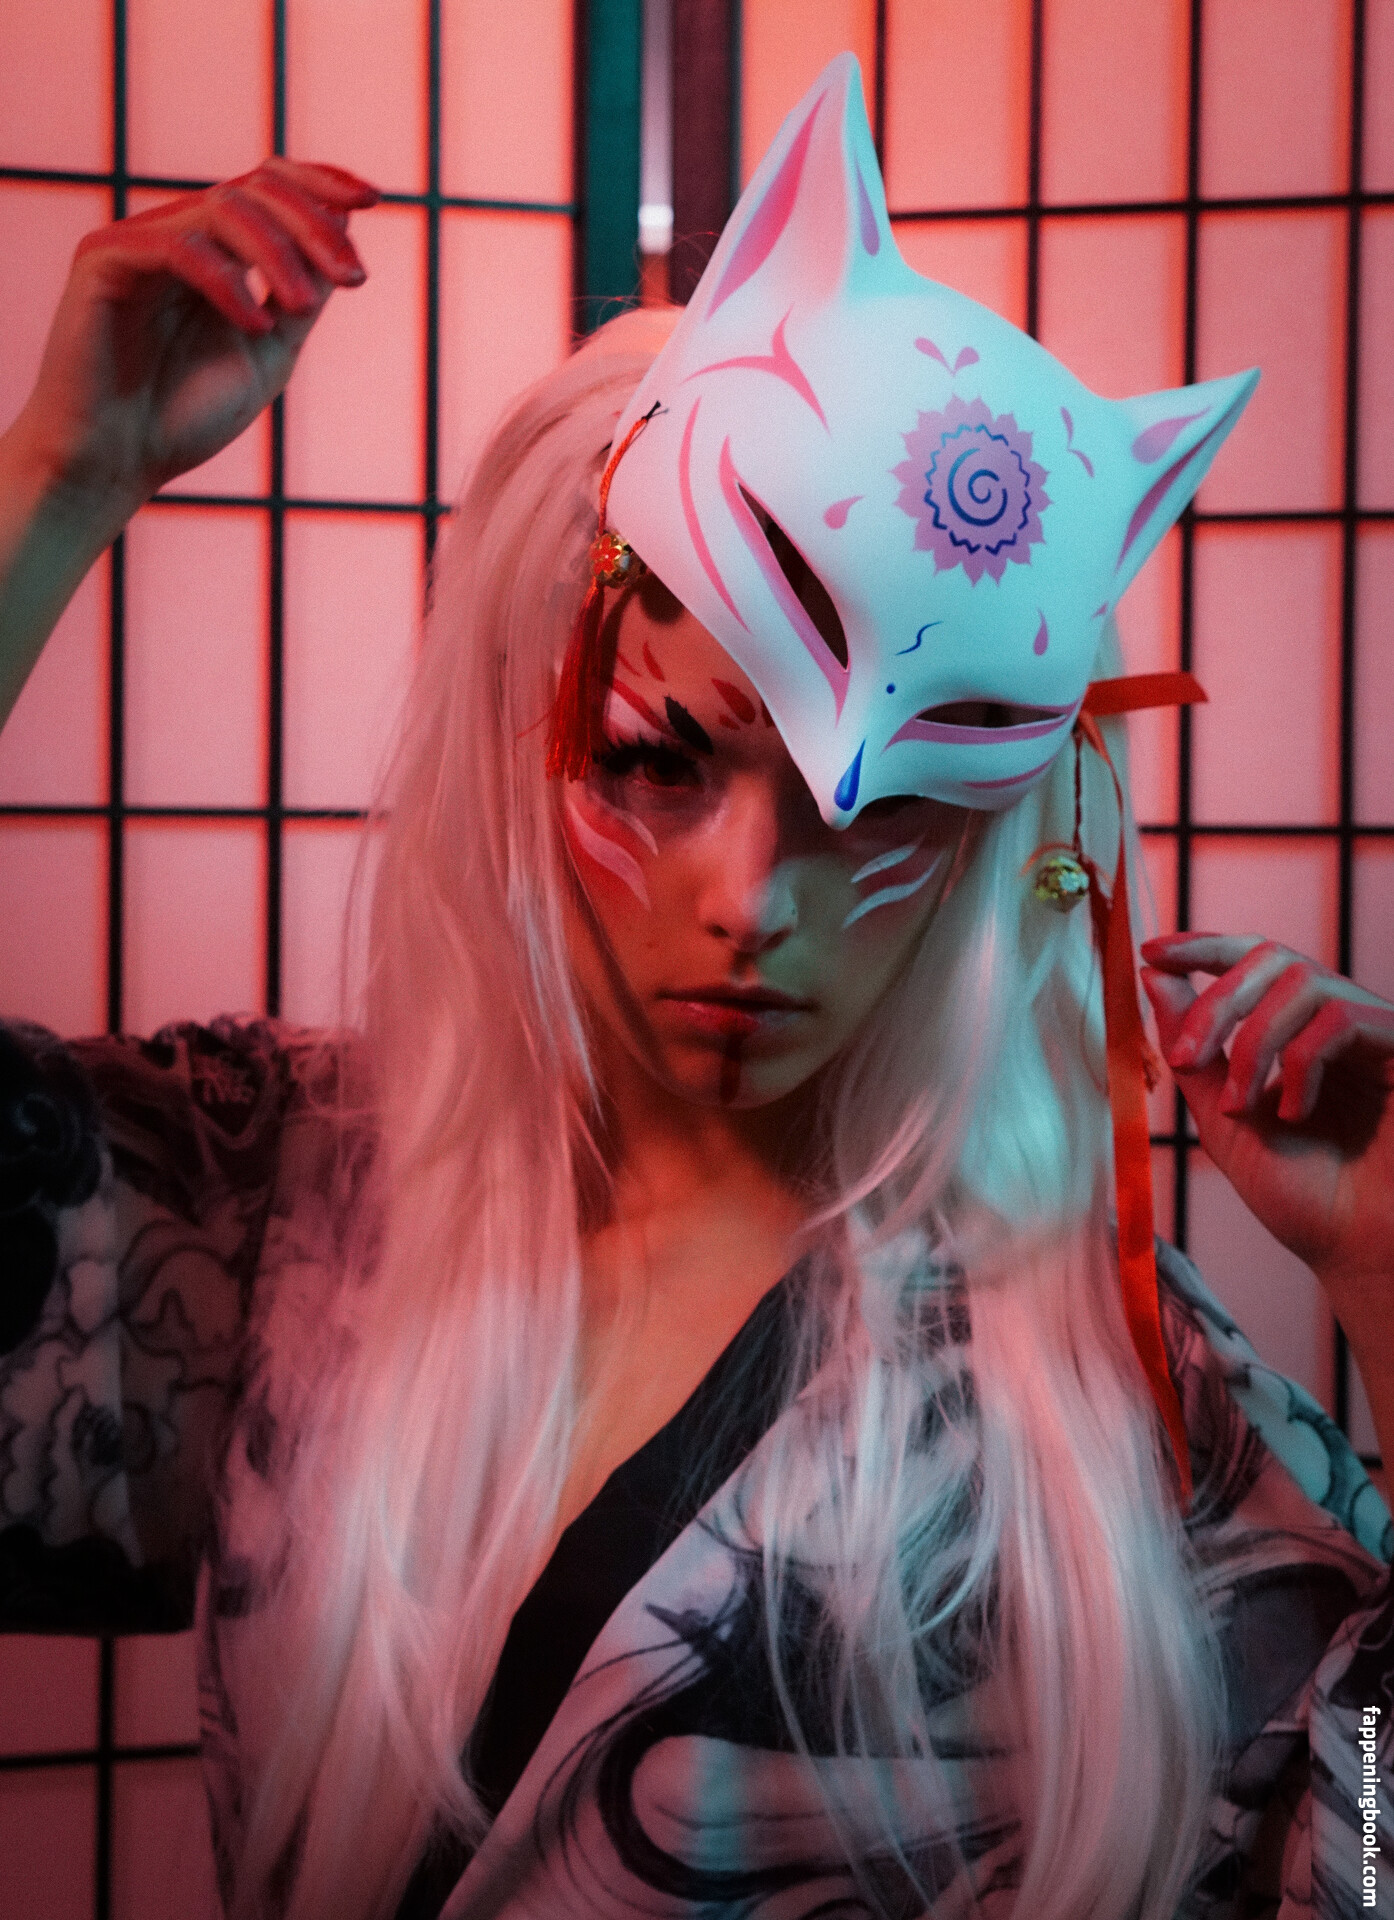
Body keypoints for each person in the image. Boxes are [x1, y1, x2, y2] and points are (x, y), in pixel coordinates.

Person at [1, 55, 1391, 1920]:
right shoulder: (289, 1187)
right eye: (656, 761)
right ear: (523, 732)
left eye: (879, 810)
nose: (751, 907)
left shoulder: (1115, 1396)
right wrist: (53, 486)